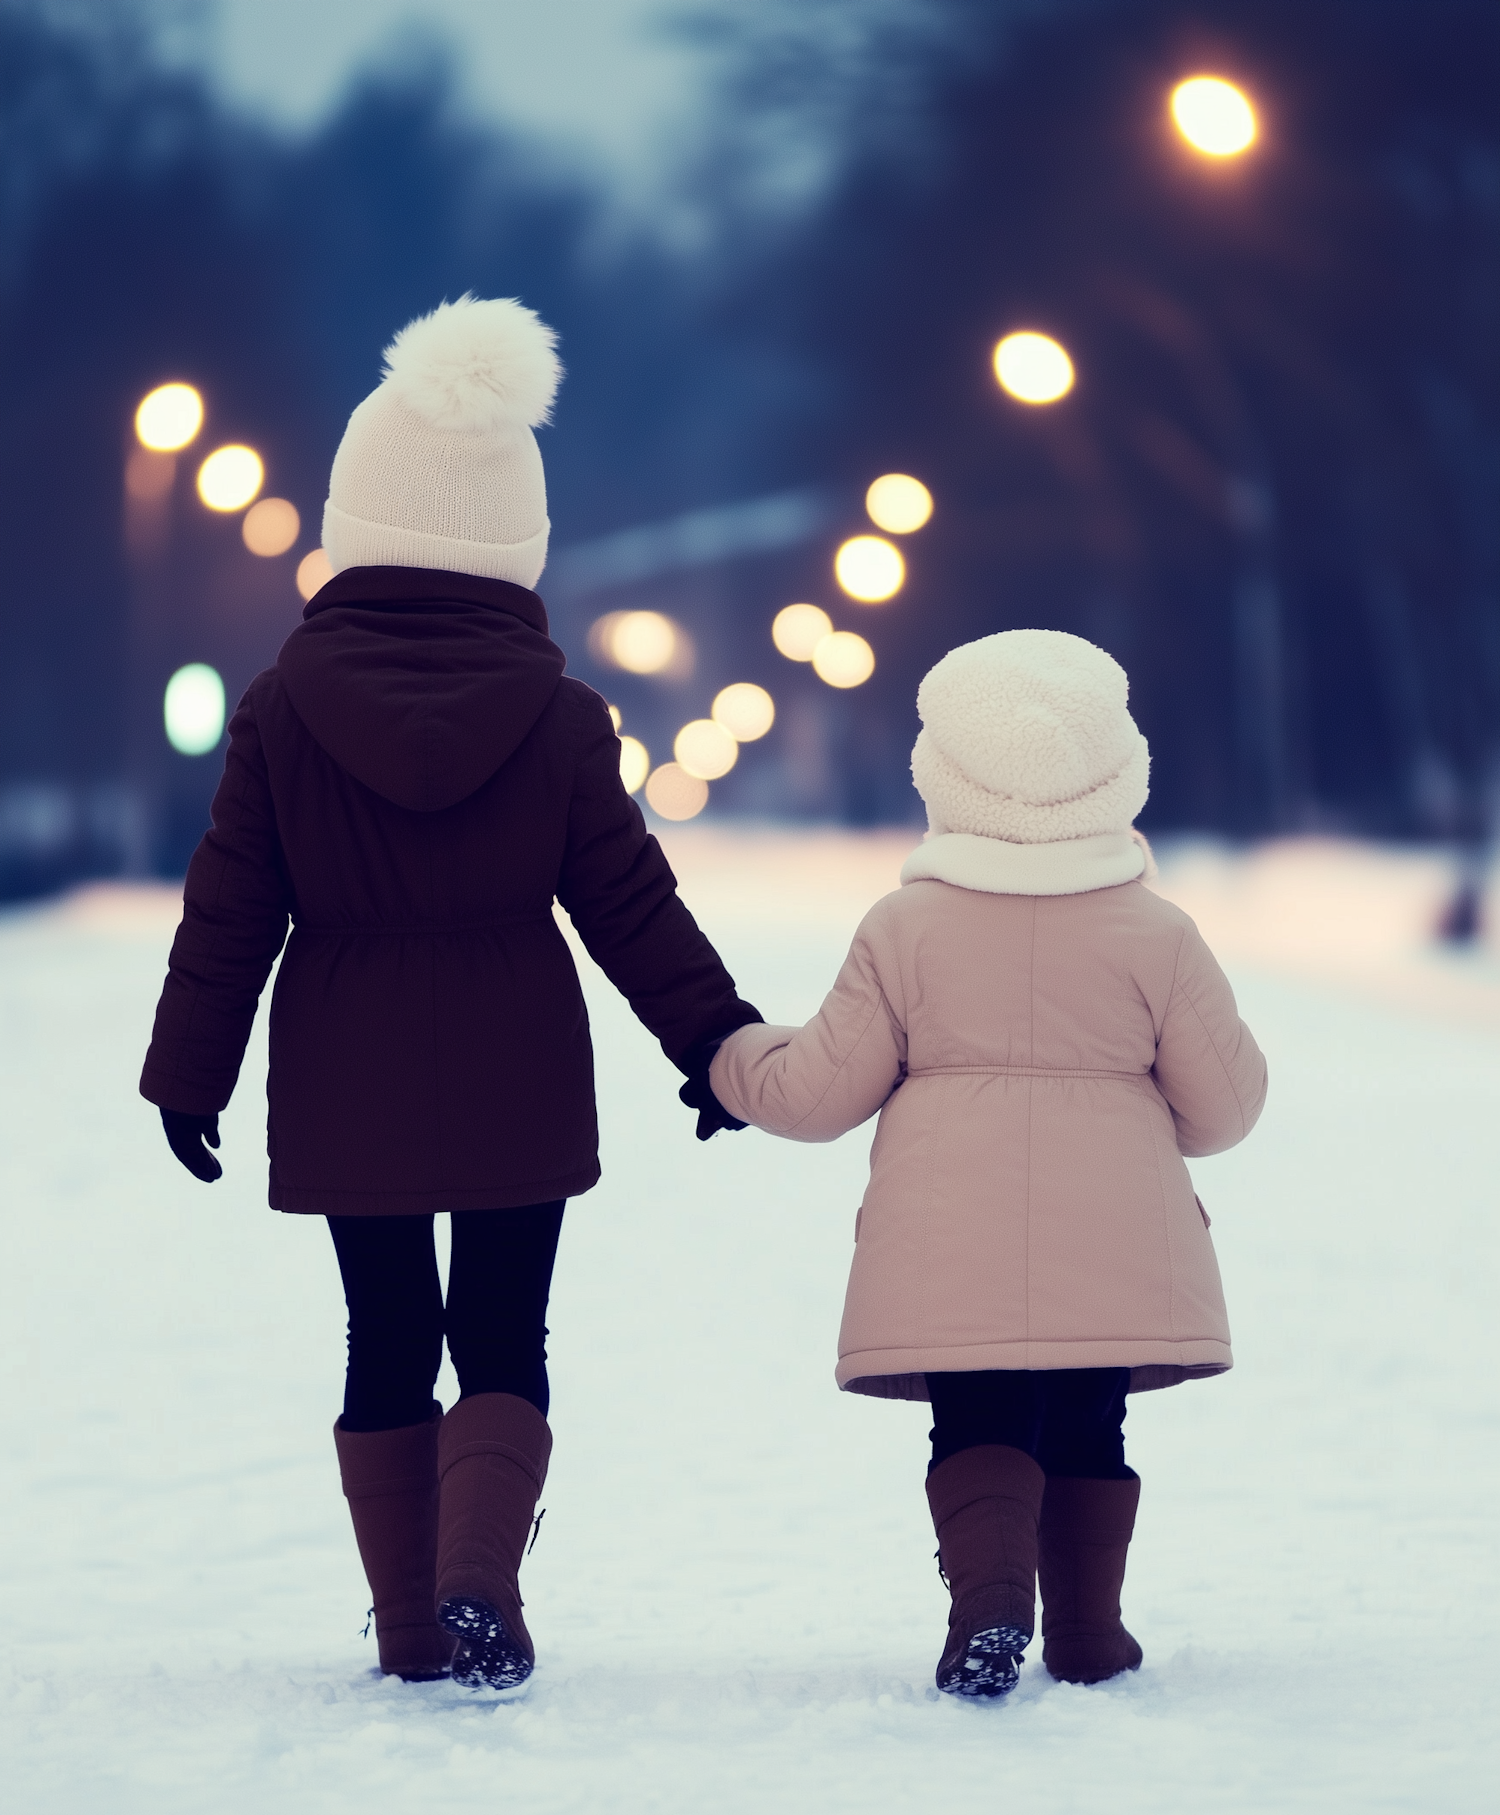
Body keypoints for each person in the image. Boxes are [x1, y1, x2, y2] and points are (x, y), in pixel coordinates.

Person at [140, 295, 759, 1693]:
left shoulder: (285, 703)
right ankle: (480, 1578)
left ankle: (414, 1628)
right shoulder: (555, 714)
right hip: (514, 1052)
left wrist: (190, 1069)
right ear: (515, 531)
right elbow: (626, 900)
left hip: (347, 1048)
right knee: (501, 1331)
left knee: (382, 1332)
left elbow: (230, 902)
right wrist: (711, 1037)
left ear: (355, 514)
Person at [708, 629, 1266, 1698]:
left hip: (946, 1239)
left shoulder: (905, 928)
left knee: (975, 1421)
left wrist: (728, 1061)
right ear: (1117, 768)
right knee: (1092, 1422)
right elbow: (1226, 1109)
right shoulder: (1158, 934)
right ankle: (1091, 1636)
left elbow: (819, 1093)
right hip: (1114, 1244)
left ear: (944, 774)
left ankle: (990, 1607)